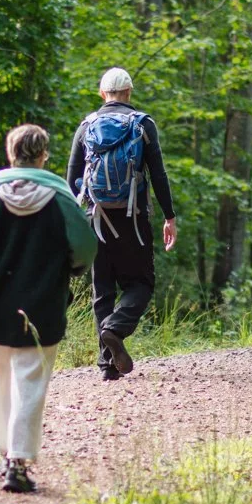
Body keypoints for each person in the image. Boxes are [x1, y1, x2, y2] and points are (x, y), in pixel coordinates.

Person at [0, 124, 97, 494]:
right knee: (31, 380)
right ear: (43, 154)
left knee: (2, 374)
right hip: (44, 301)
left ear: (10, 153)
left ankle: (5, 451)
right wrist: (73, 268)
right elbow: (84, 248)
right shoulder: (61, 195)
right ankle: (17, 460)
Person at [64, 67, 177, 380]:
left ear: (103, 94)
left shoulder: (86, 126)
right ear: (129, 92)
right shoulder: (142, 124)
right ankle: (114, 329)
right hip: (133, 218)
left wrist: (73, 223)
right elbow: (158, 174)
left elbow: (72, 179)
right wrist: (169, 216)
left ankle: (107, 366)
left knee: (102, 289)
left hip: (96, 218)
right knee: (141, 283)